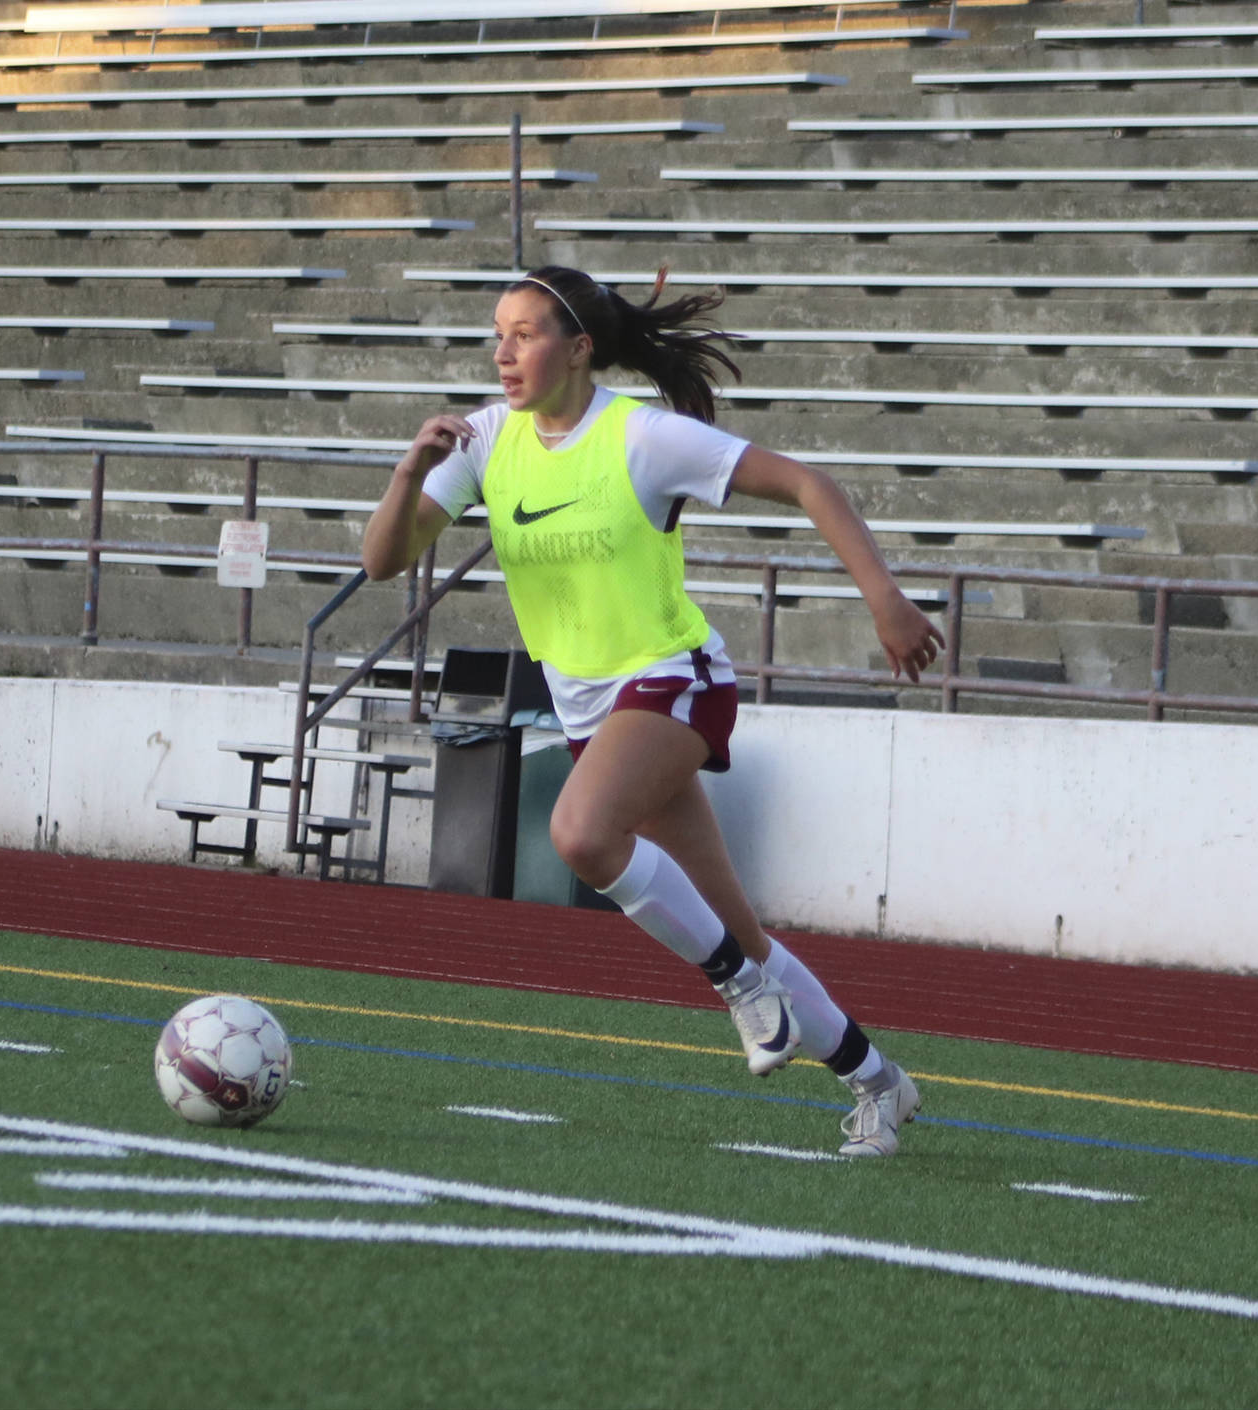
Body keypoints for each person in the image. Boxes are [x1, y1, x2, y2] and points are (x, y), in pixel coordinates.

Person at [361, 265, 945, 1157]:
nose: (503, 352)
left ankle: (736, 988)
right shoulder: (481, 439)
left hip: (675, 678)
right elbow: (382, 562)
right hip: (594, 708)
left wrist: (886, 599)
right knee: (742, 930)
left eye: (525, 333)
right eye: (498, 333)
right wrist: (410, 472)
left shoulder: (644, 438)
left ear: (579, 349)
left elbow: (809, 484)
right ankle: (878, 1082)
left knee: (581, 836)